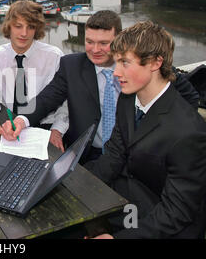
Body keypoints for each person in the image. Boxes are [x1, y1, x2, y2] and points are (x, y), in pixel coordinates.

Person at [2, 10, 200, 164]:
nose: (95, 50)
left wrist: (159, 137)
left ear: (119, 39)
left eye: (104, 43)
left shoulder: (143, 68)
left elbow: (189, 98)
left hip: (135, 156)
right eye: (89, 42)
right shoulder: (71, 65)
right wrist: (22, 120)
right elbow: (48, 98)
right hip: (88, 155)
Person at [85, 21, 206, 238]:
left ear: (155, 62)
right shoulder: (128, 98)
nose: (116, 72)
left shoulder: (189, 132)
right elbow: (114, 155)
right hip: (131, 203)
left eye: (124, 63)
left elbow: (177, 212)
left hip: (163, 225)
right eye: (116, 62)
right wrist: (78, 189)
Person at [0, 0, 69, 148]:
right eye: (18, 26)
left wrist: (57, 131)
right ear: (9, 26)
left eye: (30, 27)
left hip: (45, 125)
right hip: (10, 123)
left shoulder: (54, 56)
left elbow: (64, 101)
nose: (24, 33)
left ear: (37, 29)